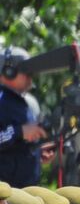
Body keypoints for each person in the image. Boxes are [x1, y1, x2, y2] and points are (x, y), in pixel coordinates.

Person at [0, 50, 47, 188]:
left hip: (27, 194)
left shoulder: (26, 102)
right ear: (9, 71)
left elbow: (16, 145)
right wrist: (20, 131)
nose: (31, 77)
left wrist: (38, 152)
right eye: (27, 72)